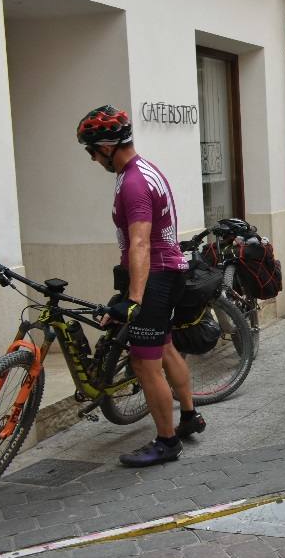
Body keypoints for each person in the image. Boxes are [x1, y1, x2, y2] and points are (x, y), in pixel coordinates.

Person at [77, 106, 203, 468]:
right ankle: (190, 415)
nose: (91, 158)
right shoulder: (141, 170)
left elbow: (141, 243)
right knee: (164, 347)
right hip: (168, 272)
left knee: (145, 364)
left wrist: (133, 298)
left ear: (105, 146)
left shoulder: (132, 182)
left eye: (91, 150)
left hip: (157, 275)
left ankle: (166, 442)